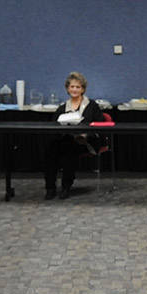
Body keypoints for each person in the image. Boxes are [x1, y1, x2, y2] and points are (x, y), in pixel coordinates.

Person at [43, 71, 106, 200]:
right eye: (72, 86)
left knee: (68, 149)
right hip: (66, 140)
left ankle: (66, 187)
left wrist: (85, 135)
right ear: (67, 88)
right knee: (51, 149)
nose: (74, 89)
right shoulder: (62, 107)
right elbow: (54, 126)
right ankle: (50, 188)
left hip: (86, 142)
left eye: (78, 87)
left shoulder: (92, 106)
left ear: (83, 89)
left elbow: (100, 125)